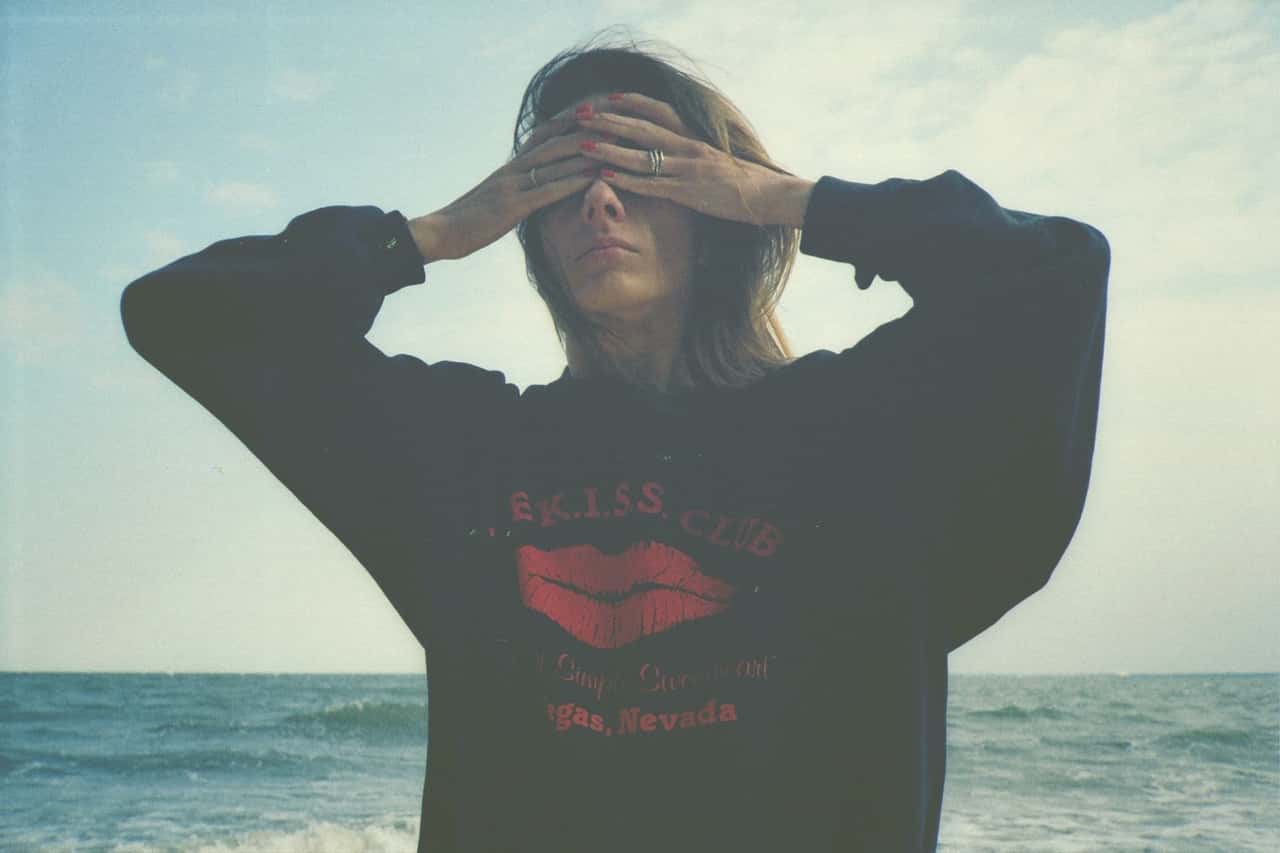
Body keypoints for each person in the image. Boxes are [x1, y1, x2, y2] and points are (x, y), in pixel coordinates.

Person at [120, 30, 1110, 853]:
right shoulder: (465, 454)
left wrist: (787, 200)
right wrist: (434, 231)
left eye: (643, 165)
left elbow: (1053, 274)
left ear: (714, 197)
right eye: (560, 177)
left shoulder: (864, 437)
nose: (599, 200)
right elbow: (183, 315)